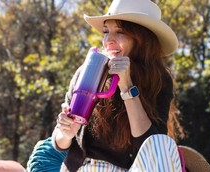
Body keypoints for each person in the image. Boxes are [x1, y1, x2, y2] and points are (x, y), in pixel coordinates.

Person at [52, 0, 185, 171]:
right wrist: (66, 133)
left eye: (120, 32)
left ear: (142, 39)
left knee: (162, 145)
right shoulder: (88, 71)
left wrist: (127, 86)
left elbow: (153, 146)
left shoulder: (159, 79)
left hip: (128, 169)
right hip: (79, 168)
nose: (109, 40)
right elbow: (59, 141)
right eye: (106, 32)